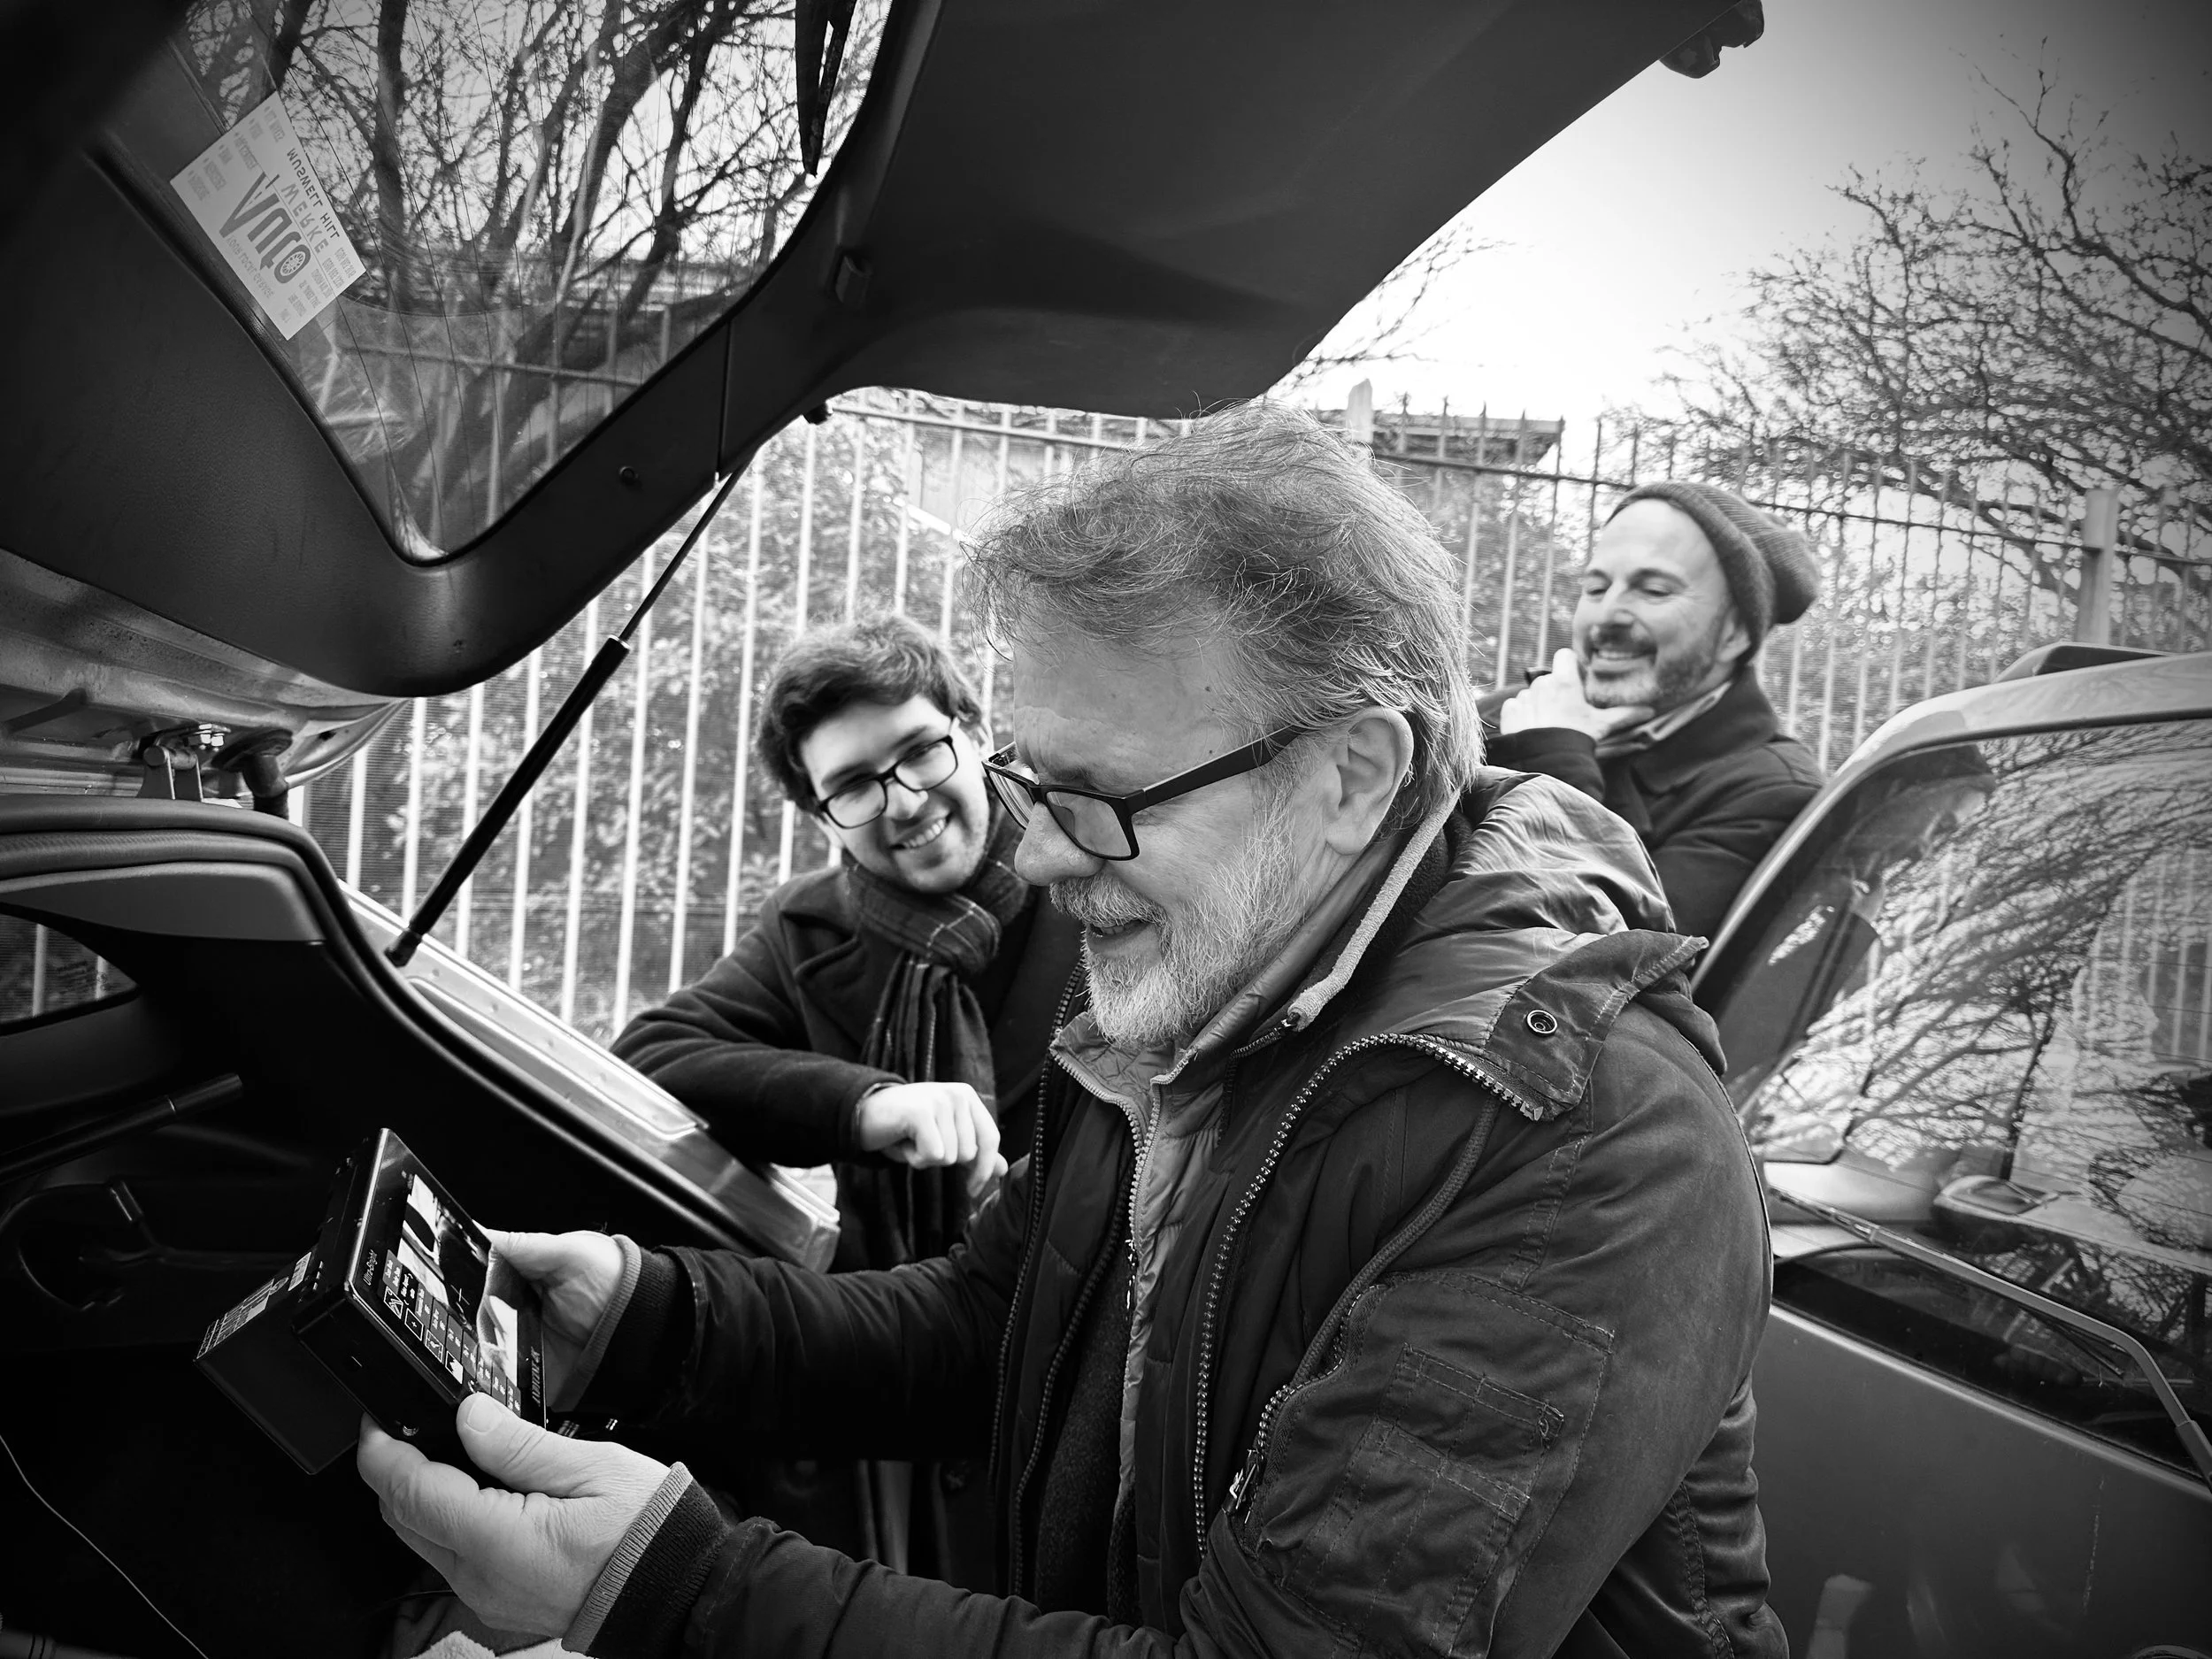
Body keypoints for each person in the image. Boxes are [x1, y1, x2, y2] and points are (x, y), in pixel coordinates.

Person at [357, 403, 1786, 1658]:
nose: (1033, 858)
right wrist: (653, 1315)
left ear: (1357, 773)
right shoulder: (1208, 1003)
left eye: (1097, 797)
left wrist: (676, 1593)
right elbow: (992, 1320)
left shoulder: (1579, 1144)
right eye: (1029, 782)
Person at [611, 614, 1081, 1586]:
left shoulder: (1092, 866)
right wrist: (870, 1104)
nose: (904, 801)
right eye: (856, 787)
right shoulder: (808, 929)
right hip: (899, 1377)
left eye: (919, 752)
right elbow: (656, 1053)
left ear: (968, 726)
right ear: (822, 819)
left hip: (1077, 1360)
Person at [1486, 479, 1824, 940]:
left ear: (1736, 634)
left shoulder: (1771, 796)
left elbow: (1611, 961)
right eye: (1595, 587)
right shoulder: (1505, 713)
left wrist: (1553, 755)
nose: (1607, 616)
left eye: (1654, 591)